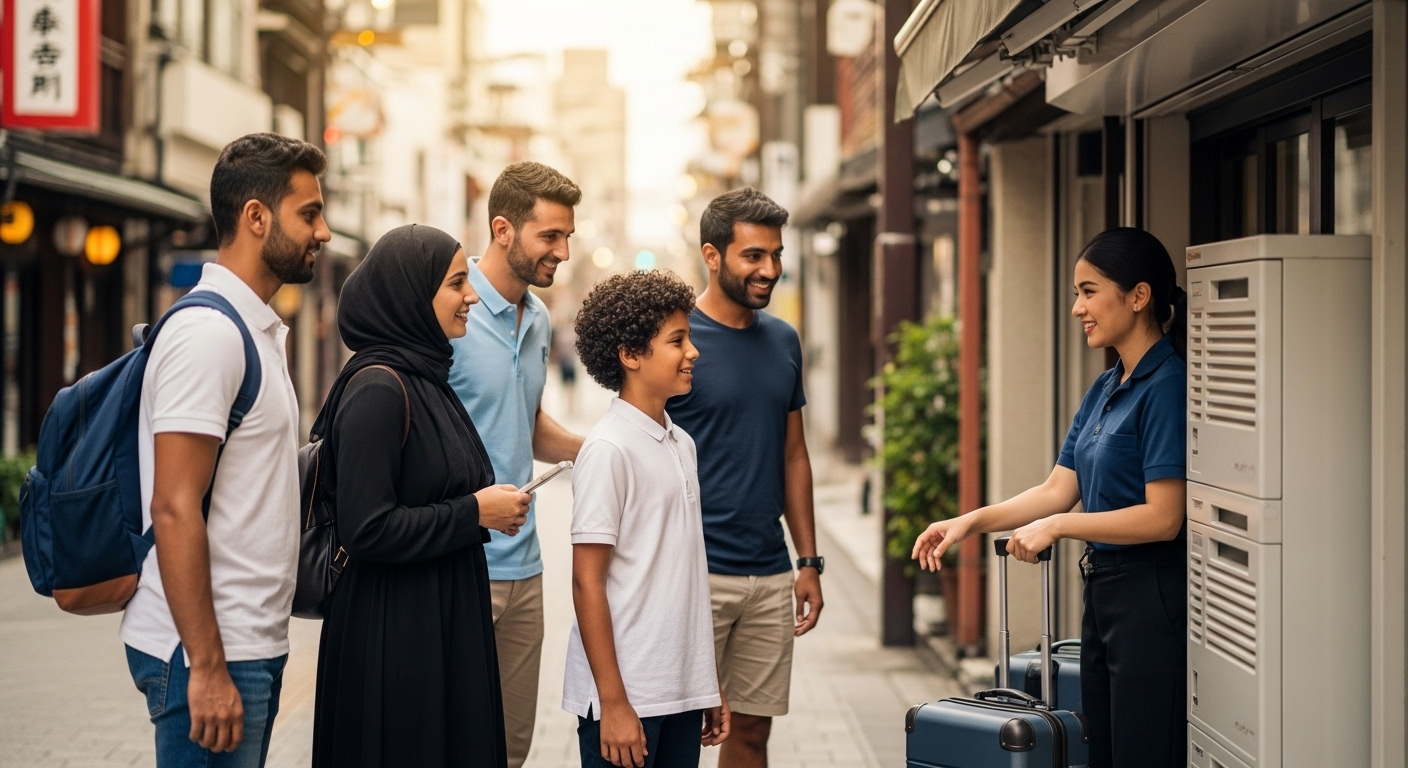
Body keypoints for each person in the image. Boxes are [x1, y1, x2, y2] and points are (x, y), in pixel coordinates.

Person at [912, 227, 1188, 768]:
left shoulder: (1166, 386)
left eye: (1089, 292)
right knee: (1103, 752)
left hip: (1150, 598)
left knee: (1143, 753)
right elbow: (1057, 489)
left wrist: (1063, 527)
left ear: (1138, 296)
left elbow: (1164, 517)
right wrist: (968, 522)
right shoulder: (1107, 386)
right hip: (1103, 593)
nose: (1075, 308)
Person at [121, 133, 329, 766]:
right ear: (256, 218)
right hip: (209, 653)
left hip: (247, 644)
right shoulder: (210, 335)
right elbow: (175, 506)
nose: (323, 232)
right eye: (310, 213)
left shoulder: (256, 330)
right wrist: (207, 666)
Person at [311, 224, 532, 768]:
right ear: (413, 293)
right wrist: (474, 512)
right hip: (396, 635)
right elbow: (367, 527)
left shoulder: (426, 377)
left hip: (438, 618)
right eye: (457, 283)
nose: (472, 296)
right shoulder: (379, 388)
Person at [664, 187, 822, 768]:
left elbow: (794, 455)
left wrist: (808, 560)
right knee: (679, 733)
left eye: (776, 255)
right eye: (753, 255)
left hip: (769, 572)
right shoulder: (678, 341)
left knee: (752, 734)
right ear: (712, 255)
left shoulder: (783, 340)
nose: (769, 269)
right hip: (691, 573)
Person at [448, 161, 585, 768]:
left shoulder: (535, 319)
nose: (561, 251)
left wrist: (602, 450)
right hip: (457, 564)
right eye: (548, 237)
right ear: (503, 229)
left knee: (509, 749)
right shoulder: (451, 308)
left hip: (526, 568)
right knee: (453, 742)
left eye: (567, 238)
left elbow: (525, 423)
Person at [565, 270, 729, 768]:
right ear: (630, 355)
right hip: (623, 701)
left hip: (678, 693)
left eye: (690, 338)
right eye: (676, 340)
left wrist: (706, 683)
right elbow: (586, 582)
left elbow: (684, 577)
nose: (692, 352)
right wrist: (613, 703)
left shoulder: (683, 443)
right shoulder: (608, 449)